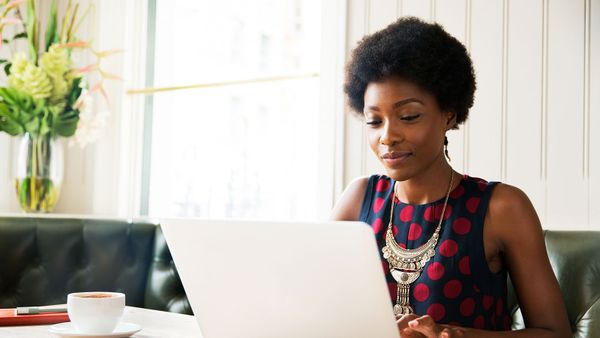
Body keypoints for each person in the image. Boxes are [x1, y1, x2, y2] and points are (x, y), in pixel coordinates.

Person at [331, 17, 570, 338]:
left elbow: (555, 333)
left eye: (409, 116)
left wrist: (454, 334)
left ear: (449, 114)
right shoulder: (358, 199)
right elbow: (316, 306)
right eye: (374, 121)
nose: (387, 136)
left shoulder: (502, 208)